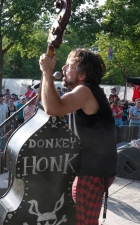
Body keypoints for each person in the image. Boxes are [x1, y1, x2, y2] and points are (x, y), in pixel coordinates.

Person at [39, 48, 117, 224]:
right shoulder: (90, 91)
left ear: (82, 74)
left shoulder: (84, 91)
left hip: (93, 172)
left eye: (70, 65)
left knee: (83, 222)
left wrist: (47, 71)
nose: (64, 67)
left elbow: (53, 108)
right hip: (93, 170)